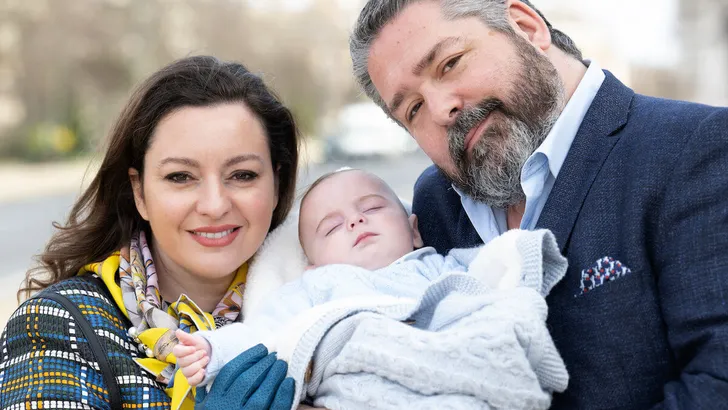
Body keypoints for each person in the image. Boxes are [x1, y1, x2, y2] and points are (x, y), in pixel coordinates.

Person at [349, 0, 728, 409]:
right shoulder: (433, 205)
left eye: (450, 63)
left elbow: (717, 384)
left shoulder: (698, 148)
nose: (441, 110)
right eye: (414, 109)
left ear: (526, 27)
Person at [0, 56, 300, 410]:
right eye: (180, 177)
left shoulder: (322, 302)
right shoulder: (57, 326)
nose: (215, 205)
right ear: (139, 192)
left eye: (243, 175)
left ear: (277, 185)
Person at [173, 168, 569, 409]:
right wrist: (213, 350)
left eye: (372, 208)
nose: (355, 222)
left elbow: (500, 277)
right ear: (312, 265)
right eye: (330, 226)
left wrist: (523, 254)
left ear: (414, 231)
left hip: (460, 373)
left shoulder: (443, 267)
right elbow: (265, 335)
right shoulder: (318, 288)